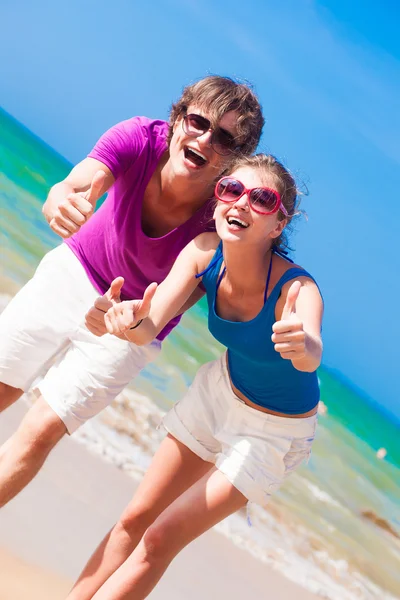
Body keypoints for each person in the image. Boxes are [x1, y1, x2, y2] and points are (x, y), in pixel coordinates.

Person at [67, 153, 324, 600]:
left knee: (160, 538)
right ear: (218, 198)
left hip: (273, 432)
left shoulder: (296, 288)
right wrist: (124, 318)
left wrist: (302, 343)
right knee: (134, 520)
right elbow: (148, 324)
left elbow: (311, 354)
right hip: (219, 392)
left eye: (261, 199)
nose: (241, 203)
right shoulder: (204, 252)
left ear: (278, 224)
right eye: (231, 190)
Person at [0, 76, 264, 507]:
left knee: (40, 431)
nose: (205, 140)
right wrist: (60, 197)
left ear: (236, 160)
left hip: (130, 330)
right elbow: (81, 183)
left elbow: (156, 320)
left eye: (224, 138)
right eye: (198, 122)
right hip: (73, 272)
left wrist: (129, 323)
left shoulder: (223, 223)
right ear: (177, 118)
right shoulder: (139, 138)